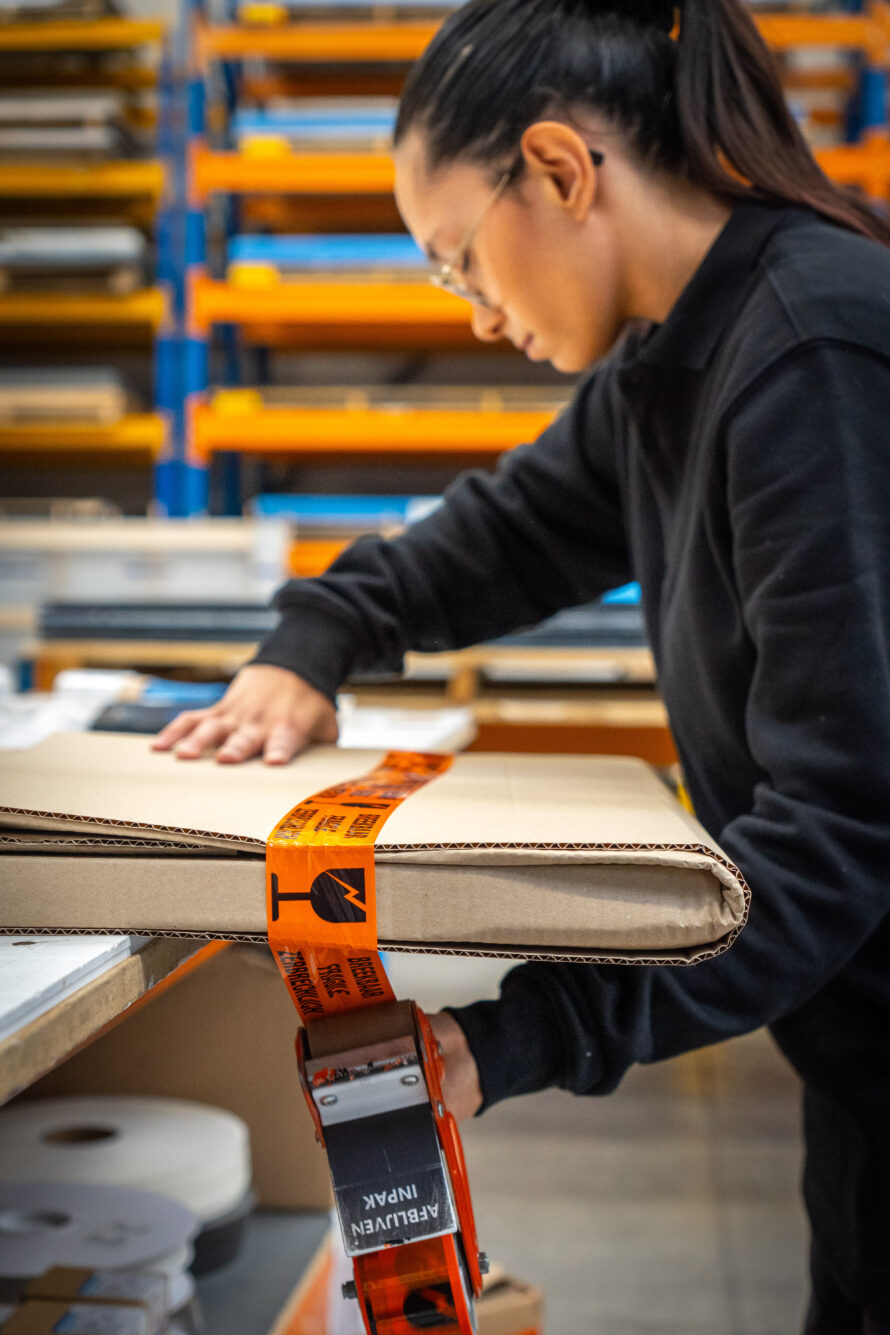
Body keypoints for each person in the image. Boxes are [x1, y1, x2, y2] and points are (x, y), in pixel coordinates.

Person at [153, 0, 890, 1326]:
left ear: (556, 168)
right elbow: (506, 534)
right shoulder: (679, 358)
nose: (479, 313)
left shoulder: (810, 349)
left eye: (456, 261)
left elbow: (842, 835)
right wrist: (317, 638)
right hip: (859, 1051)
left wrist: (513, 1039)